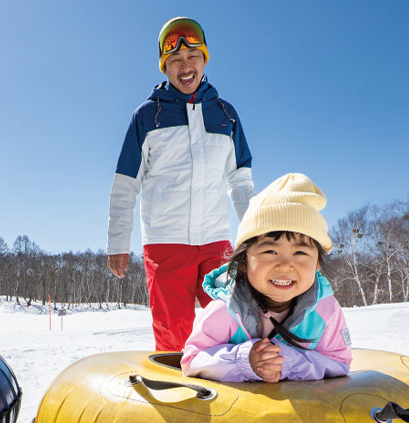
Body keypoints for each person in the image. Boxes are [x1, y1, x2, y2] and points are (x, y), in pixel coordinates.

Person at [107, 16, 256, 352]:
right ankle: (179, 399)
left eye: (193, 58)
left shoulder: (225, 115)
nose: (185, 66)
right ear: (165, 67)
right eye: (175, 60)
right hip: (165, 243)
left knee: (234, 325)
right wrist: (118, 241)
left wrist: (254, 236)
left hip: (216, 241)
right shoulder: (147, 116)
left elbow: (240, 179)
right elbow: (125, 183)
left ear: (204, 60)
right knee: (173, 336)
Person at [181, 173, 352, 382]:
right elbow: (192, 361)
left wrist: (287, 362)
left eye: (300, 253)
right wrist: (244, 360)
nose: (285, 265)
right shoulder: (226, 309)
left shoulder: (325, 311)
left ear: (317, 264)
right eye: (270, 251)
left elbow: (339, 362)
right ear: (243, 261)